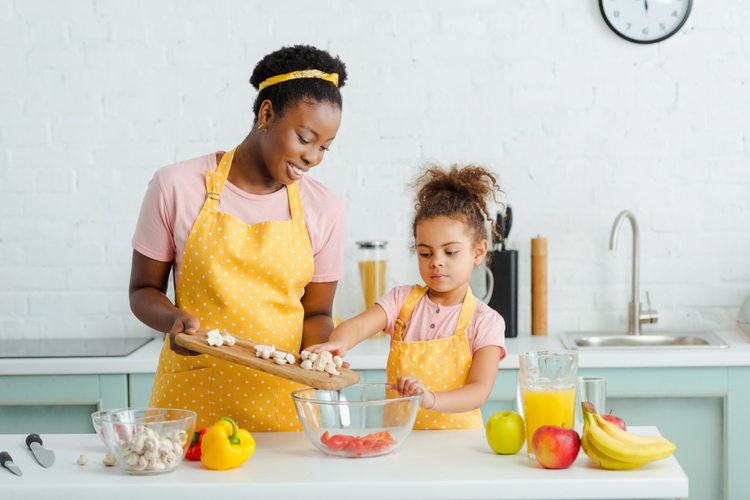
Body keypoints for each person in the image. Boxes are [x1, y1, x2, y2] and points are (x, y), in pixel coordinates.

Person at [129, 45, 348, 432]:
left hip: (283, 407)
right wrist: (173, 319)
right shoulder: (176, 186)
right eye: (304, 137)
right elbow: (143, 290)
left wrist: (319, 354)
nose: (313, 157)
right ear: (266, 113)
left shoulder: (325, 208)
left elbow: (317, 313)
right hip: (190, 405)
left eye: (324, 147)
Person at [307, 164, 506, 430]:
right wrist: (339, 343)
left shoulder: (486, 322)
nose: (436, 262)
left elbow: (479, 391)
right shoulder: (402, 301)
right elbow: (356, 326)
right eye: (426, 253)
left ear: (478, 251)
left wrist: (430, 398)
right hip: (400, 443)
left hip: (459, 449)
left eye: (450, 252)